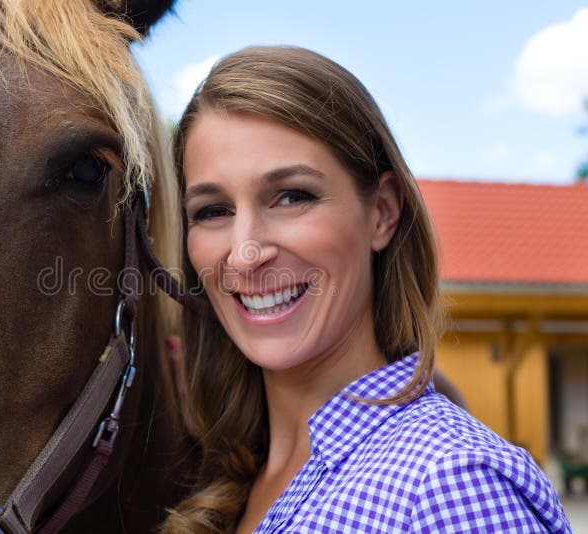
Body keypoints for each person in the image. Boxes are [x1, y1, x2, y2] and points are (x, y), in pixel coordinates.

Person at [160, 46, 572, 533]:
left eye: (292, 196)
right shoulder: (229, 476)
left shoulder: (450, 485)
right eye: (212, 210)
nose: (245, 254)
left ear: (382, 212)